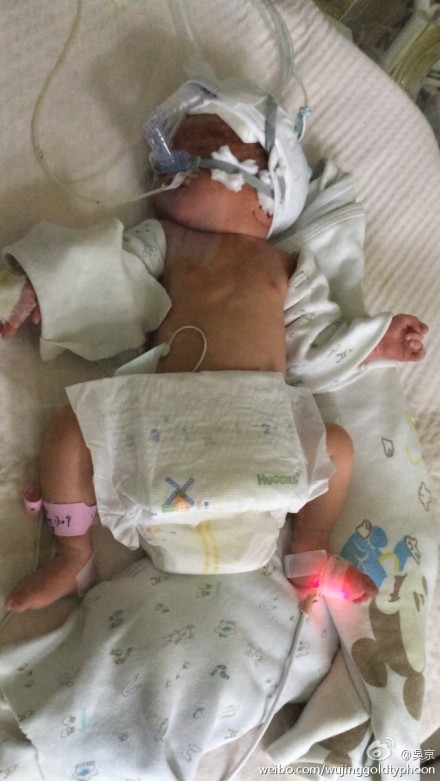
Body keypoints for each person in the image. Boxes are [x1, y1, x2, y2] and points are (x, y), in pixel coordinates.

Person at [0, 80, 427, 613]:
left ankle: (309, 547)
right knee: (70, 428)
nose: (174, 165)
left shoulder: (287, 266)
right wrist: (46, 287)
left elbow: (314, 343)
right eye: (169, 157)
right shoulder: (165, 242)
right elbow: (108, 273)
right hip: (166, 429)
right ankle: (72, 553)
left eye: (201, 152)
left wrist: (374, 342)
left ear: (266, 202)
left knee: (337, 447)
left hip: (260, 435)